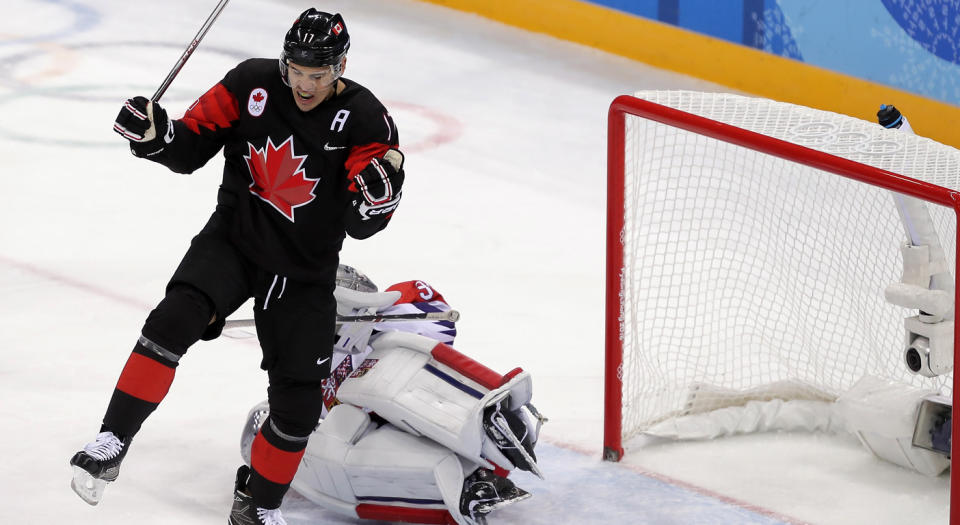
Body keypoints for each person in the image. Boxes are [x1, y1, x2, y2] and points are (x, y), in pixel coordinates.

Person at [69, 9, 406, 525]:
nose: (305, 83)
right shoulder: (250, 82)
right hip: (233, 241)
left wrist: (380, 200)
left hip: (303, 271)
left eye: (318, 74)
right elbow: (188, 147)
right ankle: (113, 439)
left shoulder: (366, 119)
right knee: (172, 320)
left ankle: (259, 506)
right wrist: (154, 135)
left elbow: (363, 223)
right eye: (296, 70)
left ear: (340, 67)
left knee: (298, 408)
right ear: (283, 61)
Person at [238, 265, 545, 525]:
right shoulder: (308, 379)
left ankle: (492, 423)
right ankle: (465, 487)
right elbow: (302, 426)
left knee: (384, 368)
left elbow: (437, 319)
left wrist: (371, 322)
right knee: (340, 433)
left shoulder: (395, 312)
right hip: (417, 441)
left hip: (443, 409)